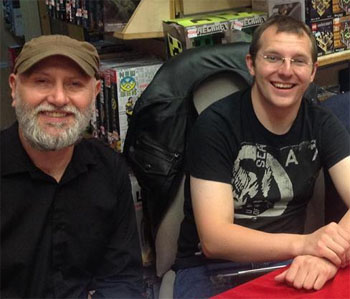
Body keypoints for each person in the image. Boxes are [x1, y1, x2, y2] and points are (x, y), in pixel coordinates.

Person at [173, 15, 350, 298]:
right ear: (251, 64)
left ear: (313, 71)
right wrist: (307, 244)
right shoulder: (216, 125)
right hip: (211, 270)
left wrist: (325, 254)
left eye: (299, 61)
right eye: (273, 58)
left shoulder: (322, 123)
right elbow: (215, 239)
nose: (286, 71)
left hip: (287, 264)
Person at [1, 35, 143, 298]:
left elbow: (121, 278)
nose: (58, 98)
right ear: (14, 87)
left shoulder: (109, 169)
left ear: (95, 93)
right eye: (42, 81)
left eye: (74, 84)